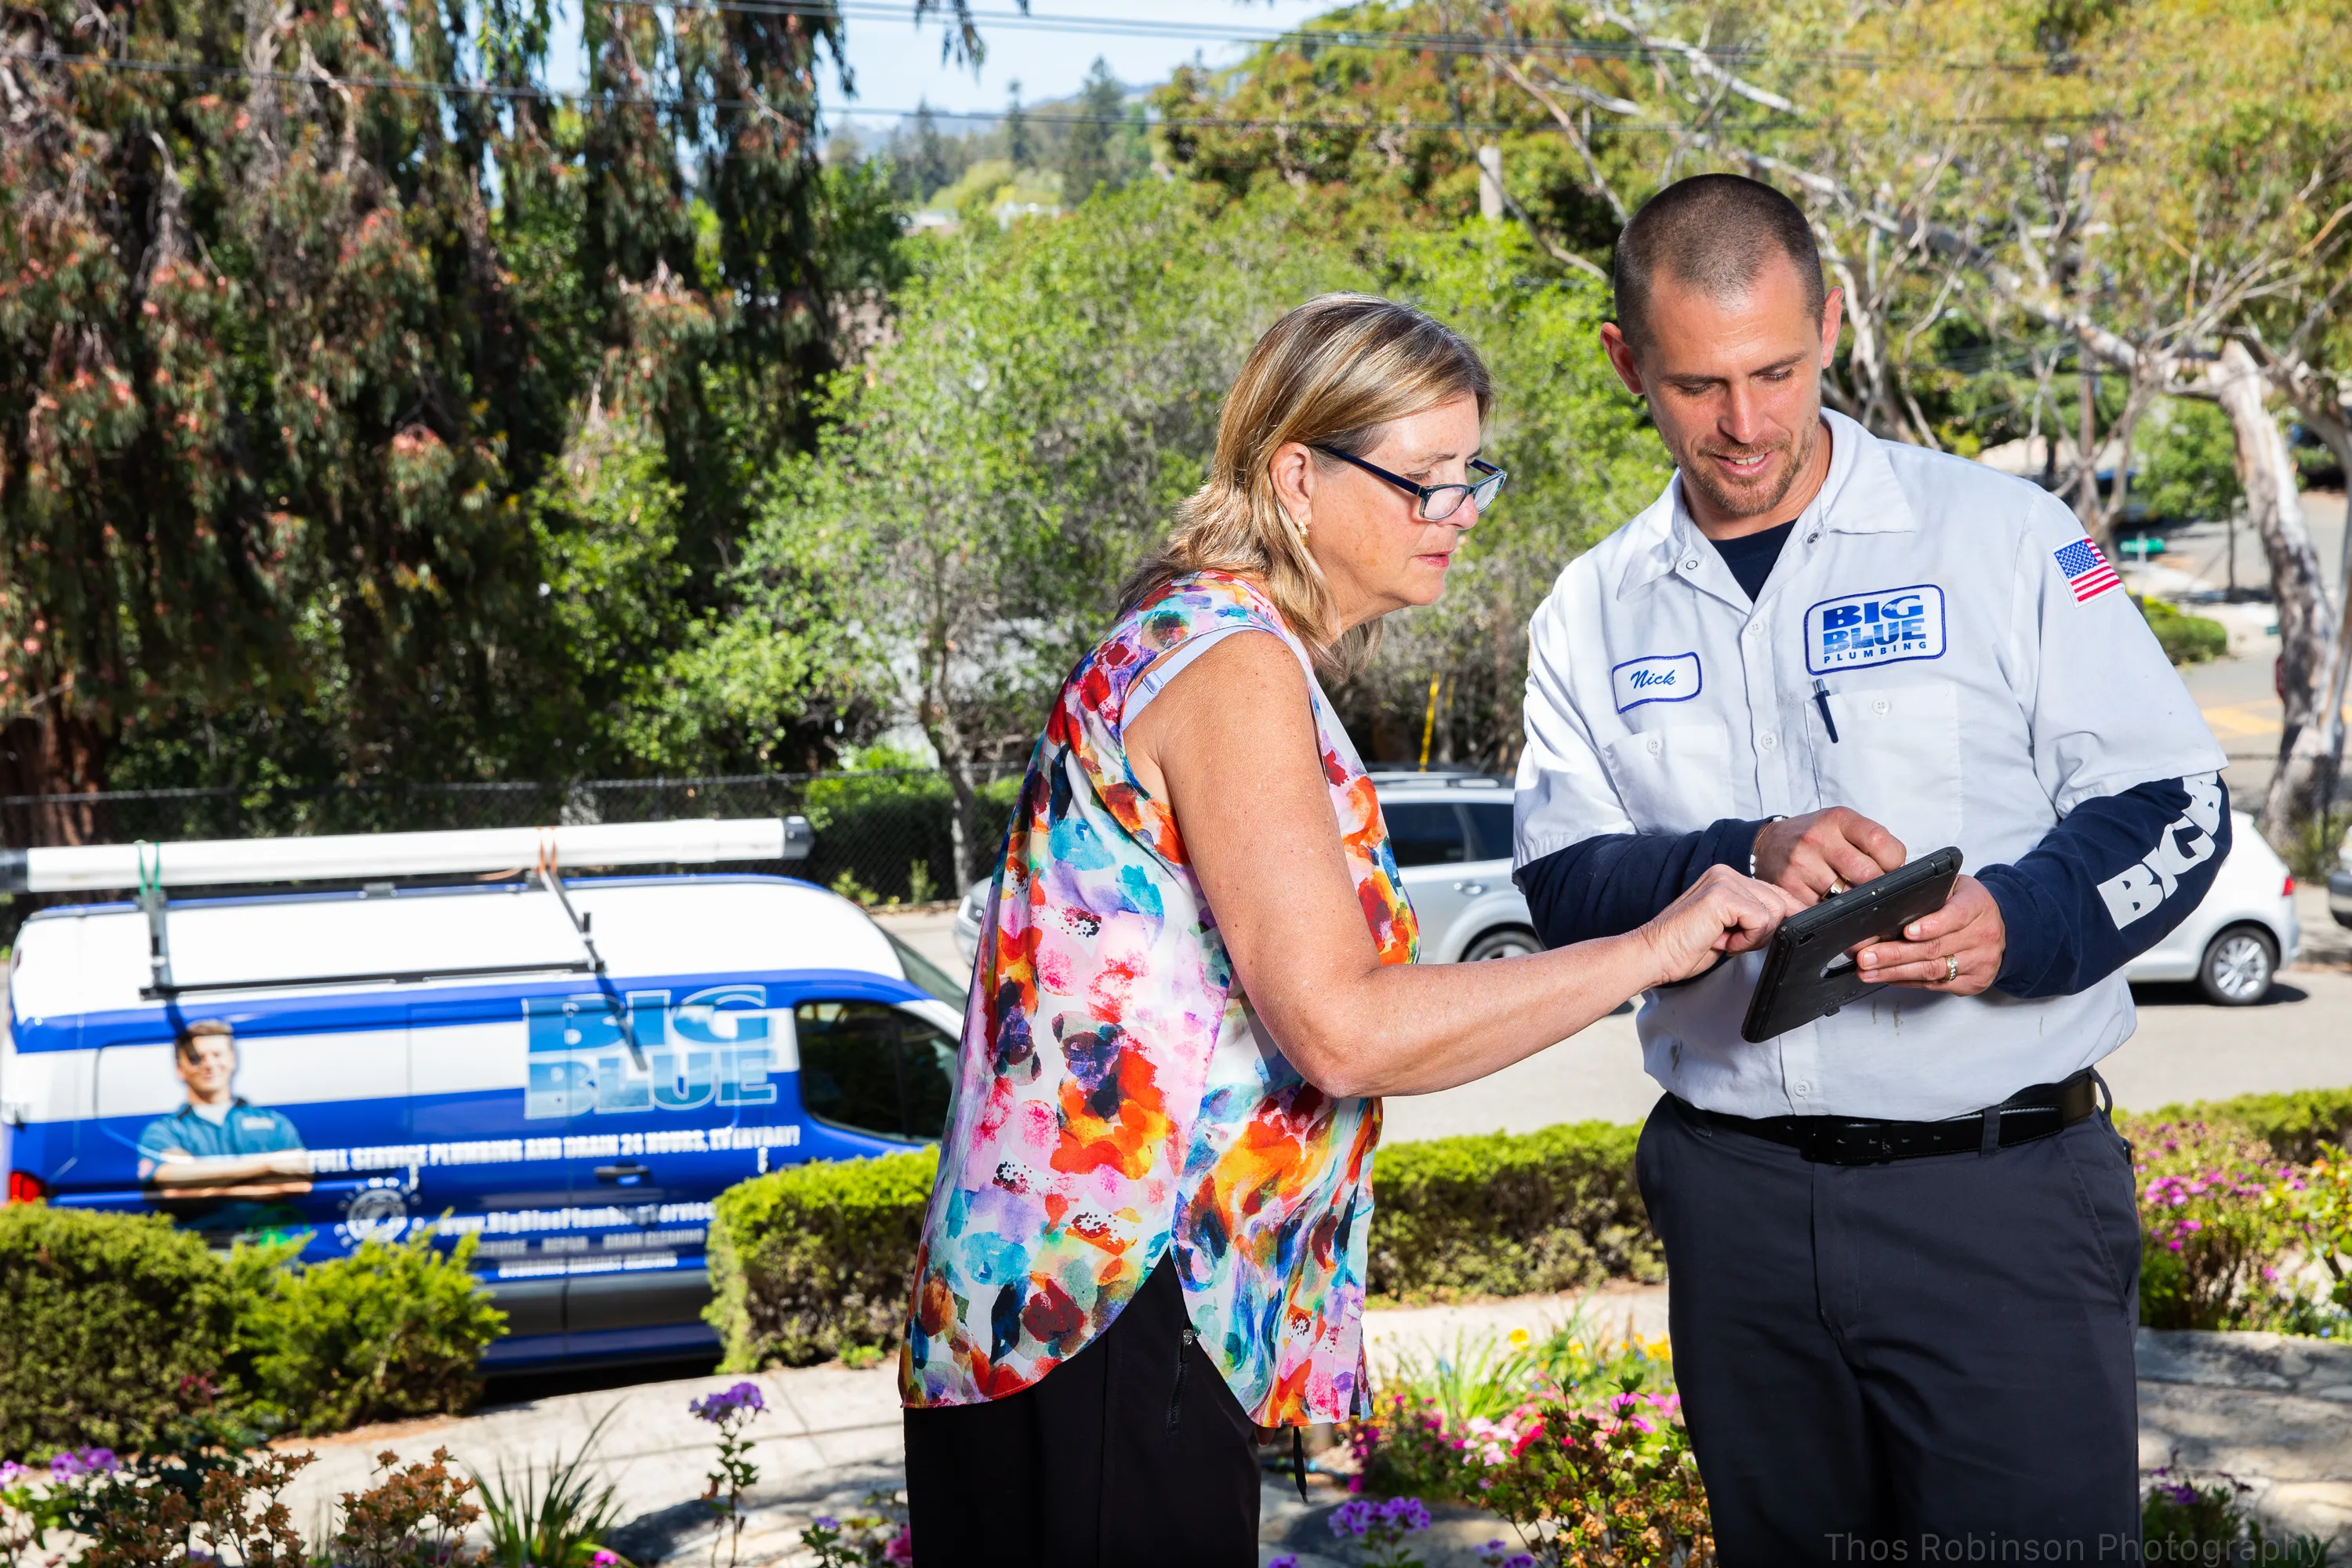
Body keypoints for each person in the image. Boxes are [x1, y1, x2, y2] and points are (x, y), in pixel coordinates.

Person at [898, 293, 1797, 1566]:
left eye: (1471, 474)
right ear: (1297, 477)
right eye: (1427, 480)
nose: (1461, 511)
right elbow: (1341, 1027)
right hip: (1106, 1306)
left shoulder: (1209, 639)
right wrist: (1652, 948)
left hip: (1085, 1310)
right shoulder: (1229, 664)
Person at [1513, 173, 2230, 1556]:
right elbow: (1564, 884)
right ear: (1625, 362)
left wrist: (2018, 918)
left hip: (1999, 1199)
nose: (1745, 423)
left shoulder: (2003, 534)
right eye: (1698, 385)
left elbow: (2175, 803)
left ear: (1832, 324)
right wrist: (1743, 853)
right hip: (1735, 1210)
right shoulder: (1589, 608)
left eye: (1777, 371)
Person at [137, 1019, 310, 1228]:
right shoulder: (164, 1131)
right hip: (199, 1243)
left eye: (217, 1055)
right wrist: (266, 1165)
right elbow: (172, 1183)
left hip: (272, 1242)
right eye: (197, 1058)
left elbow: (300, 1183)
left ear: (232, 1059)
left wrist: (205, 1183)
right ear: (180, 1068)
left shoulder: (273, 1122)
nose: (209, 1064)